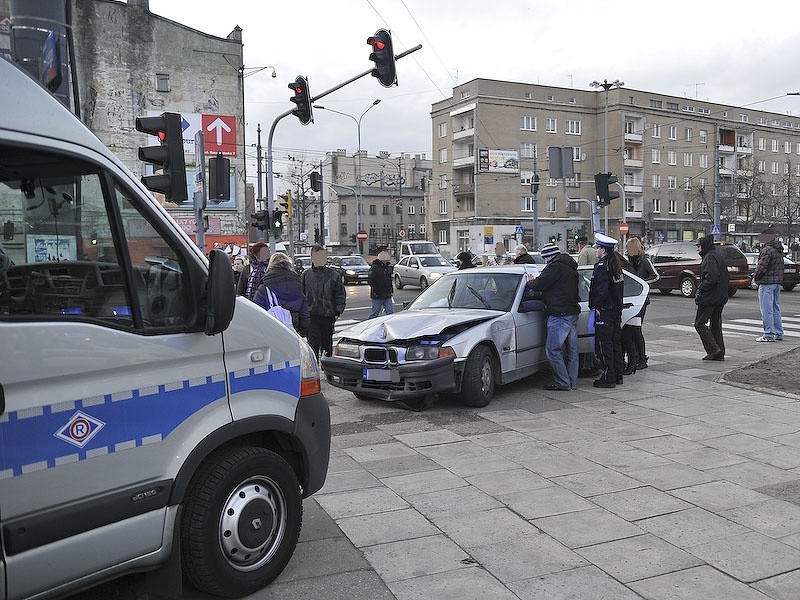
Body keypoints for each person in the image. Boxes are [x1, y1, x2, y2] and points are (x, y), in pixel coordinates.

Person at [524, 242, 580, 391]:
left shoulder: (555, 267)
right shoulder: (570, 266)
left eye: (545, 258)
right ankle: (572, 382)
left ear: (548, 256)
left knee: (553, 350)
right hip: (572, 312)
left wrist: (530, 282)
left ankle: (562, 383)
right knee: (572, 350)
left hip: (559, 314)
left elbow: (539, 284)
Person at [589, 234, 625, 388]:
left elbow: (601, 290)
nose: (596, 250)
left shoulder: (602, 267)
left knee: (604, 345)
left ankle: (608, 377)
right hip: (615, 310)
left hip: (605, 311)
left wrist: (597, 307)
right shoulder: (615, 264)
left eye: (597, 248)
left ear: (603, 250)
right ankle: (617, 375)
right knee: (615, 343)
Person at [621, 237, 659, 372]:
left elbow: (655, 276)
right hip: (630, 299)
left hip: (641, 299)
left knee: (636, 330)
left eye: (631, 248)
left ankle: (642, 358)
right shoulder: (627, 260)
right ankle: (636, 356)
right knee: (631, 330)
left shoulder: (644, 260)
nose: (629, 250)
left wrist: (642, 284)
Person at [302, 245, 346, 360]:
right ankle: (315, 370)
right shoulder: (306, 275)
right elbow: (301, 295)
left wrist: (337, 312)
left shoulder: (333, 274)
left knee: (327, 345)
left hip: (328, 316)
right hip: (312, 317)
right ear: (312, 258)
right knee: (313, 345)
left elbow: (340, 295)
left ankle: (328, 372)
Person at [253, 252, 310, 336]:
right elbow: (304, 311)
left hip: (271, 330)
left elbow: (257, 312)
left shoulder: (265, 286)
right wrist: (302, 331)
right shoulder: (297, 283)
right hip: (294, 328)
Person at [694, 235, 729, 361]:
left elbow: (711, 279)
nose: (697, 249)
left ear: (704, 246)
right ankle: (719, 353)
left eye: (698, 246)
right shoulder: (716, 255)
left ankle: (713, 349)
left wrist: (700, 288)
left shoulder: (709, 258)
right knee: (715, 324)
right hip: (720, 296)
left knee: (700, 323)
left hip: (710, 297)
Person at [753, 226, 784, 342]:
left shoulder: (767, 250)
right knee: (776, 308)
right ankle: (779, 333)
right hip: (777, 282)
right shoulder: (778, 249)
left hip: (766, 283)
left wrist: (756, 278)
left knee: (766, 309)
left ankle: (768, 334)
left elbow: (761, 267)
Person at [368, 250, 394, 318]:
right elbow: (370, 280)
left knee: (390, 313)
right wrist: (376, 290)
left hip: (387, 294)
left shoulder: (387, 267)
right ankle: (368, 326)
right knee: (375, 313)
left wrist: (391, 290)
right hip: (377, 295)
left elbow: (389, 280)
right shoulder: (375, 267)